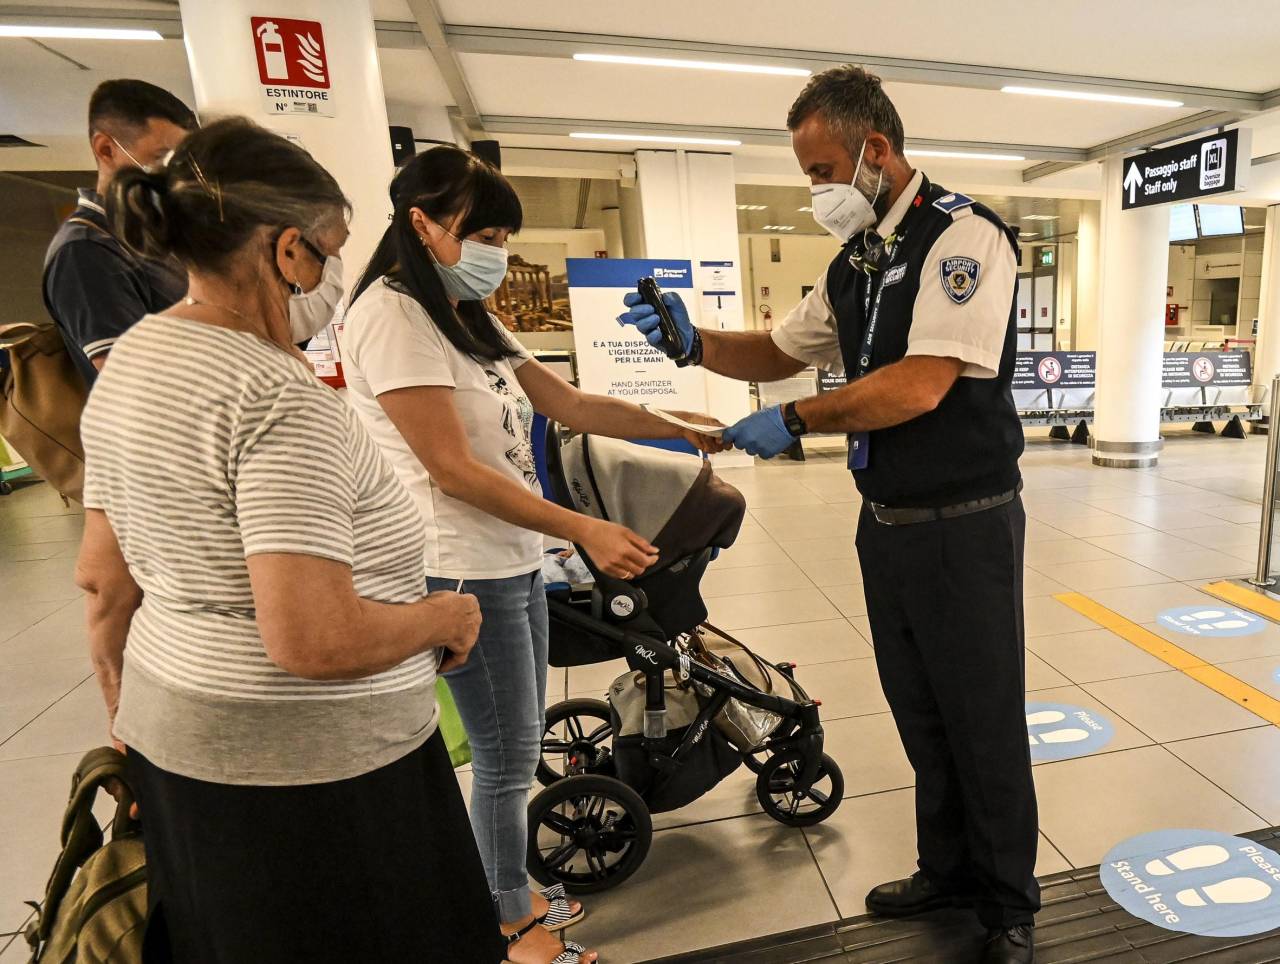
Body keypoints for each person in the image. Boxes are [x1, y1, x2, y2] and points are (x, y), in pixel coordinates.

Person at [620, 66, 1038, 964]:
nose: (815, 190)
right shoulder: (858, 262)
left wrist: (800, 418)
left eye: (821, 171)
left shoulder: (963, 238)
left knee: (984, 720)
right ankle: (948, 868)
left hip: (965, 525)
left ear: (875, 151)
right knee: (921, 713)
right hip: (884, 524)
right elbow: (776, 348)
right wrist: (695, 342)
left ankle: (1008, 902)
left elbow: (924, 383)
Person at [74, 117, 506, 963]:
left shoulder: (135, 357)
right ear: (285, 251)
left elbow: (102, 580)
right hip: (315, 778)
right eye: (333, 248)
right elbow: (313, 638)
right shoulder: (280, 399)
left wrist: (131, 716)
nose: (340, 273)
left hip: (179, 745)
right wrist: (442, 620)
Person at [340, 145, 722, 964]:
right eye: (486, 233)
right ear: (423, 223)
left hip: (507, 557)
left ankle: (504, 888)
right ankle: (509, 922)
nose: (499, 253)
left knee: (508, 747)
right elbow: (451, 468)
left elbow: (569, 402)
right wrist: (582, 528)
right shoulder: (391, 314)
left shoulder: (460, 310)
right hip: (457, 567)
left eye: (506, 237)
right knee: (507, 759)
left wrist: (676, 423)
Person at [43, 79, 197, 386]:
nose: (177, 175)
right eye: (161, 159)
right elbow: (132, 384)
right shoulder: (86, 251)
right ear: (106, 149)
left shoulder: (160, 237)